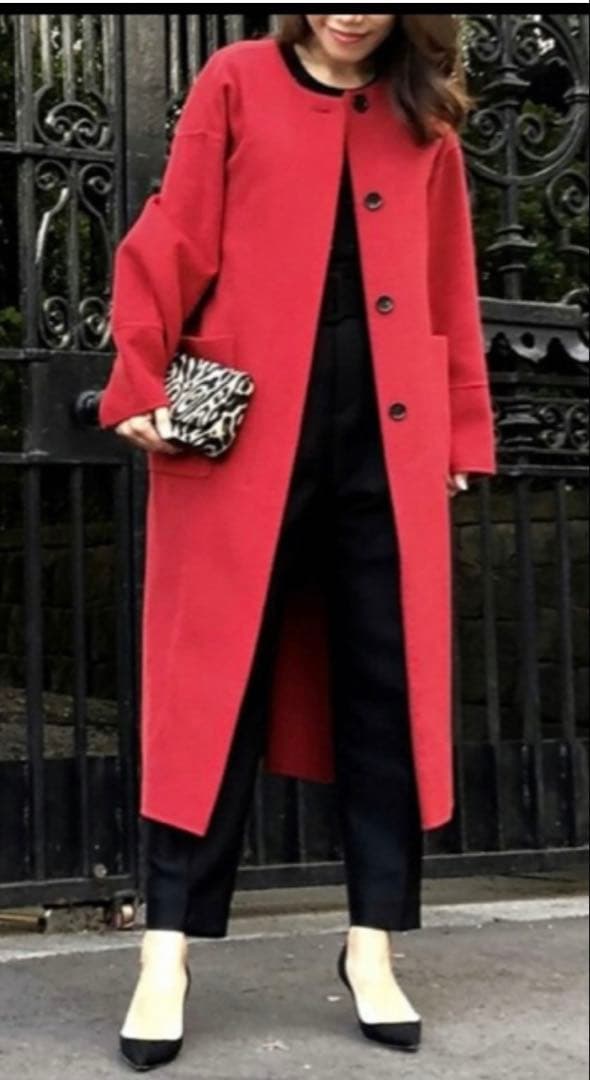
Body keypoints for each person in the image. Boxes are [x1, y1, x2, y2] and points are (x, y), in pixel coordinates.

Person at [98, 13, 496, 1071]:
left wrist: (462, 429)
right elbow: (174, 231)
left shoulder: (422, 112)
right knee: (208, 692)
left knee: (383, 688)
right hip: (243, 428)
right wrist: (138, 371)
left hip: (387, 431)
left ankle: (372, 947)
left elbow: (448, 275)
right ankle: (165, 954)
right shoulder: (236, 79)